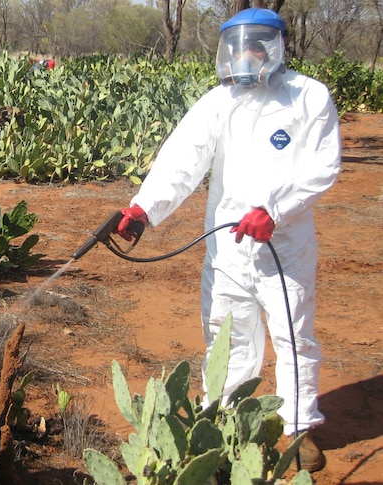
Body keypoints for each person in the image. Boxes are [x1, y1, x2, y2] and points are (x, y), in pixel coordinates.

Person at [113, 8, 340, 473]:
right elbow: (183, 158)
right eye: (236, 47)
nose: (244, 56)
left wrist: (274, 211)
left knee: (292, 335)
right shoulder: (219, 101)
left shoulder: (307, 97)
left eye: (255, 46)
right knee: (226, 335)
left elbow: (323, 167)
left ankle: (297, 427)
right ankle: (229, 425)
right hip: (228, 246)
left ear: (275, 47)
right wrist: (143, 208)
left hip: (285, 247)